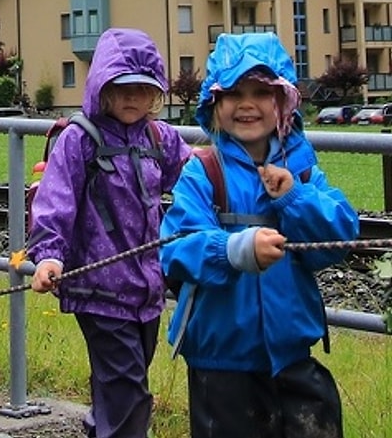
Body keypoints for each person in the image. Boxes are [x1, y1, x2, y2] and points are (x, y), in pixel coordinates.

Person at [160, 33, 357, 438]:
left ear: (283, 103)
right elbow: (174, 248)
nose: (247, 104)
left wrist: (294, 199)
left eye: (261, 92)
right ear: (214, 105)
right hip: (222, 362)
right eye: (233, 93)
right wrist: (235, 249)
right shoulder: (203, 172)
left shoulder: (301, 171)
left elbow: (341, 235)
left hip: (292, 355)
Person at [28, 27, 191, 438]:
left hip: (147, 289)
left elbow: (196, 181)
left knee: (122, 381)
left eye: (143, 88)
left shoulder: (161, 138)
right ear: (102, 85)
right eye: (123, 88)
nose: (133, 97)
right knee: (129, 390)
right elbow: (56, 200)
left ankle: (99, 428)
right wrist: (49, 254)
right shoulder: (79, 141)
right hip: (98, 288)